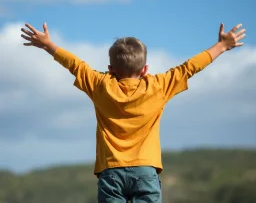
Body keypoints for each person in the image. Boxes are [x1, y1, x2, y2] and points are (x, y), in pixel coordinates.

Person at [20, 22, 246, 203]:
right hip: (146, 171)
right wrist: (221, 46)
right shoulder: (158, 86)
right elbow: (189, 68)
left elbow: (76, 65)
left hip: (111, 173)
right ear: (145, 69)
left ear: (111, 69)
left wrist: (48, 44)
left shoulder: (100, 85)